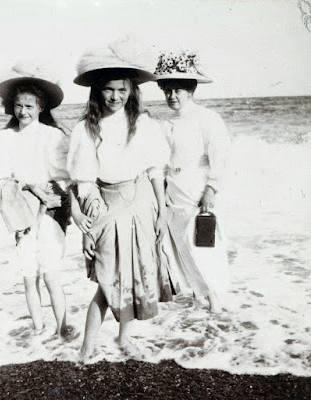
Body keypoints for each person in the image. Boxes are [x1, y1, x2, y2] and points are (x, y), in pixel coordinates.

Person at [67, 38, 172, 362]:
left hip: (140, 200)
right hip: (105, 203)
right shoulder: (86, 128)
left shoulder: (142, 123)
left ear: (131, 90)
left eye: (122, 90)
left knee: (136, 273)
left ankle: (125, 338)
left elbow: (156, 170)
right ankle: (87, 347)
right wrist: (86, 226)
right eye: (109, 89)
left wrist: (162, 212)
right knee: (107, 280)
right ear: (97, 90)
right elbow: (82, 181)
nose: (115, 96)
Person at [0, 61, 71, 337]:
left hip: (49, 208)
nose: (23, 111)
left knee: (50, 271)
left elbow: (64, 177)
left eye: (29, 106)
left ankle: (62, 328)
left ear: (41, 108)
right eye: (18, 105)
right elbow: (1, 177)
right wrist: (27, 188)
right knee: (28, 273)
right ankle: (38, 330)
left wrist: (43, 192)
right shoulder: (6, 136)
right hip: (20, 207)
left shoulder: (53, 135)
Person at [154, 50, 230, 313]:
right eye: (167, 90)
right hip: (173, 191)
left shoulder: (208, 119)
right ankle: (200, 297)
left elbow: (220, 158)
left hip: (198, 190)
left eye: (178, 90)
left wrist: (211, 187)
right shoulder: (164, 123)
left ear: (191, 90)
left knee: (204, 244)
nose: (172, 96)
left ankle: (217, 299)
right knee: (181, 246)